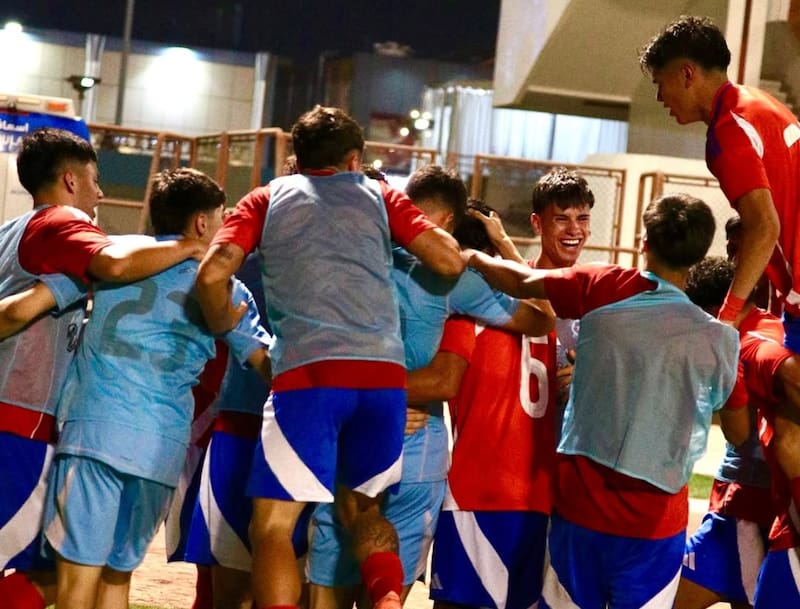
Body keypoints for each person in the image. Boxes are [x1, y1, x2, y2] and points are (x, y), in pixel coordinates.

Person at [194, 105, 465, 609]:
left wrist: (220, 321)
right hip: (384, 382)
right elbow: (448, 259)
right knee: (364, 510)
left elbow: (212, 276)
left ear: (297, 157)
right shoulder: (381, 195)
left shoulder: (266, 198)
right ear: (355, 158)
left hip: (309, 378)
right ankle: (386, 595)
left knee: (274, 524)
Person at [465, 193, 746, 609]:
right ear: (699, 255)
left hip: (581, 507)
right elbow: (739, 432)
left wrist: (473, 255)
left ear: (644, 242)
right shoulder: (720, 338)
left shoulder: (604, 284)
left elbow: (519, 281)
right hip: (655, 522)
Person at [305, 168, 553, 609]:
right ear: (451, 222)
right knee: (387, 581)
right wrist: (484, 256)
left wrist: (377, 395)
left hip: (353, 429)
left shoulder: (346, 262)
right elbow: (540, 317)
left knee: (328, 574)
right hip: (422, 446)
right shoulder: (455, 282)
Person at [39, 167, 272, 609]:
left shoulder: (111, 252)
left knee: (75, 582)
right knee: (117, 579)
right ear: (202, 223)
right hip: (159, 448)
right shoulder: (224, 284)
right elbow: (266, 363)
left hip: (94, 433)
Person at [0, 128, 206, 609]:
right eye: (95, 181)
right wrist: (190, 247)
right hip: (21, 419)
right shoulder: (62, 220)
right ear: (70, 181)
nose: (101, 193)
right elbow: (113, 264)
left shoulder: (12, 230)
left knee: (57, 567)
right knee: (63, 568)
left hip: (18, 414)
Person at [418, 168, 593, 609]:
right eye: (562, 218)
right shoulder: (515, 303)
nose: (574, 230)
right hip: (508, 492)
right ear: (537, 224)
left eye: (582, 218)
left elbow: (441, 377)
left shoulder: (589, 304)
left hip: (536, 497)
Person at [639, 16, 800, 352]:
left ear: (686, 74)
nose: (659, 96)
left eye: (659, 81)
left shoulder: (728, 132)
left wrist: (725, 320)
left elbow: (763, 228)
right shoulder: (760, 103)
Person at [677, 255, 800, 609]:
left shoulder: (745, 344)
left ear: (714, 309)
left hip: (747, 501)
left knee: (662, 596)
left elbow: (738, 431)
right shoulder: (773, 325)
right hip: (755, 500)